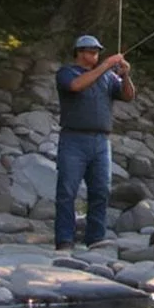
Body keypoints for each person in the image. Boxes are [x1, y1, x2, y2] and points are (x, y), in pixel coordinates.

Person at [54, 33, 136, 251]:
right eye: (91, 51)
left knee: (100, 191)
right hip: (73, 139)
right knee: (67, 191)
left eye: (97, 51)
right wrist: (107, 65)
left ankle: (95, 238)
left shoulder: (108, 78)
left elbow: (128, 96)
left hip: (101, 141)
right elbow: (76, 86)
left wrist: (125, 75)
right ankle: (64, 240)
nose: (95, 55)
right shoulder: (66, 73)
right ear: (79, 53)